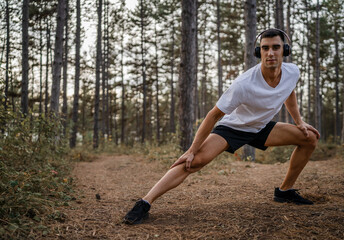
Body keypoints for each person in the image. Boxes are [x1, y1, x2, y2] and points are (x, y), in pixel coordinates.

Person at [123, 29, 320, 225]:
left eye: (276, 47)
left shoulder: (292, 71)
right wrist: (192, 150)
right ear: (258, 51)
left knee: (310, 137)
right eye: (265, 48)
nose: (270, 53)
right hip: (233, 128)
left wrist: (299, 122)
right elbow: (213, 115)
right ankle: (145, 202)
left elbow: (289, 92)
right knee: (194, 161)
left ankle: (285, 192)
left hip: (261, 127)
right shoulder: (243, 84)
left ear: (284, 50)